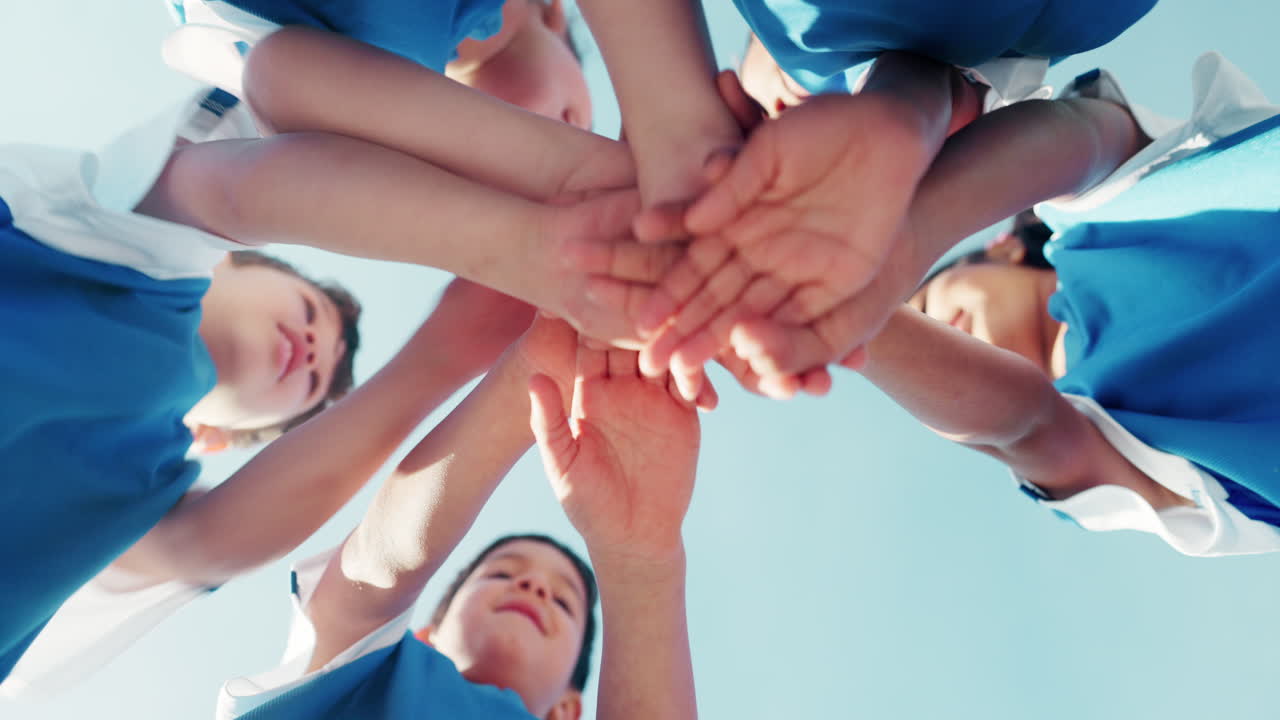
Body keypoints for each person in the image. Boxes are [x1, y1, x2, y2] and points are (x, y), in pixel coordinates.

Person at [811, 54, 1280, 556]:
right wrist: (839, 307)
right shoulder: (1108, 444)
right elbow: (1022, 425)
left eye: (924, 302)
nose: (938, 325)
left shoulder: (1098, 210)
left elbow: (1077, 137)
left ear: (1003, 247)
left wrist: (897, 247)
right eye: (924, 332)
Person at [0, 277, 534, 698]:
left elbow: (209, 541)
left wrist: (446, 350)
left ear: (212, 438)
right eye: (308, 310)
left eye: (312, 383)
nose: (310, 346)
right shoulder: (108, 234)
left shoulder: (120, 499)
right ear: (228, 263)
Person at [603, 0, 1159, 399]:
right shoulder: (1030, 53)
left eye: (745, 154)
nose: (778, 150)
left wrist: (671, 123)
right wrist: (903, 116)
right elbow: (929, 73)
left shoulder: (796, 28)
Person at [215, 317, 700, 720]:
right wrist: (532, 371)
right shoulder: (369, 671)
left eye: (563, 601)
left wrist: (641, 559)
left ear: (567, 711)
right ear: (427, 634)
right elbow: (377, 566)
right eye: (503, 573)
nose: (532, 588)